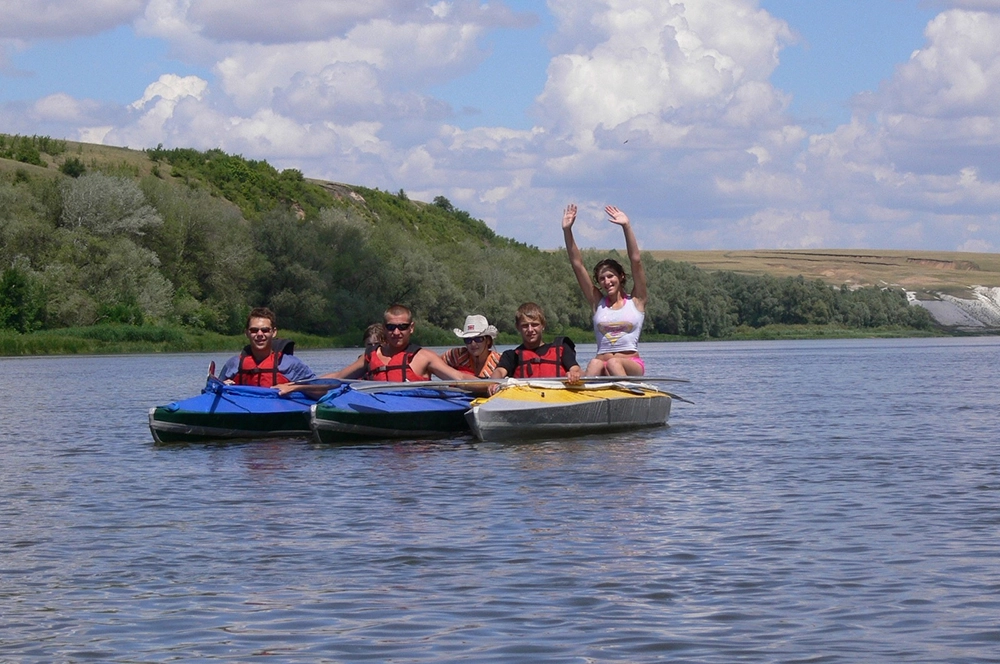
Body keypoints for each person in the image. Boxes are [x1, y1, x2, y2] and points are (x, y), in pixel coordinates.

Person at [562, 203, 648, 376]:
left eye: (610, 276)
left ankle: (628, 395)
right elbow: (577, 265)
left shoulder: (637, 301)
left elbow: (636, 261)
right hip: (602, 364)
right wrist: (567, 231)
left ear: (621, 276)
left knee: (614, 363)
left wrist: (626, 227)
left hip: (630, 364)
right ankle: (587, 398)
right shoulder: (597, 303)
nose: (606, 281)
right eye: (602, 279)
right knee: (595, 363)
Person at [324, 304, 467, 381]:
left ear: (411, 328)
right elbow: (338, 377)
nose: (396, 332)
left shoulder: (424, 357)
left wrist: (488, 386)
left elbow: (459, 377)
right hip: (378, 409)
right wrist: (303, 385)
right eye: (391, 327)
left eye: (402, 327)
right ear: (384, 328)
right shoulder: (370, 356)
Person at [218, 307, 315, 387]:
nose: (259, 334)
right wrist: (220, 387)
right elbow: (210, 391)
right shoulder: (234, 364)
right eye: (254, 330)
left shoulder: (289, 364)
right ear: (247, 333)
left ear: (274, 332)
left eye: (265, 330)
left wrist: (294, 388)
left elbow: (320, 390)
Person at [490, 303, 581, 383]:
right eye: (525, 325)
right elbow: (500, 371)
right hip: (526, 399)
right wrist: (494, 382)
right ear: (518, 327)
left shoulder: (562, 348)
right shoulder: (511, 356)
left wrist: (574, 374)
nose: (530, 330)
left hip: (557, 397)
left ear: (543, 325)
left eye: (535, 324)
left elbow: (575, 369)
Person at [441, 314, 502, 379]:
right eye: (468, 340)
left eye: (478, 339)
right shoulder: (457, 355)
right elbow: (433, 362)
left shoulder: (500, 360)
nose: (473, 344)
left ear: (488, 341)